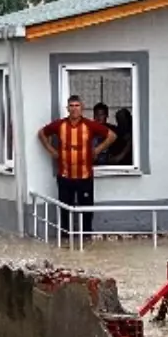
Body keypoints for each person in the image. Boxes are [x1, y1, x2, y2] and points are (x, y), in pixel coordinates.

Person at [38, 94, 115, 240]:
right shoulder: (60, 125)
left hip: (84, 176)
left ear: (82, 108)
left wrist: (97, 150)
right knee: (65, 210)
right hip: (65, 176)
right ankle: (65, 239)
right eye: (71, 106)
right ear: (67, 108)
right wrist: (51, 150)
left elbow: (111, 136)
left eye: (77, 106)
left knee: (86, 210)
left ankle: (86, 238)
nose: (74, 109)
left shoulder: (89, 125)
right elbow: (42, 133)